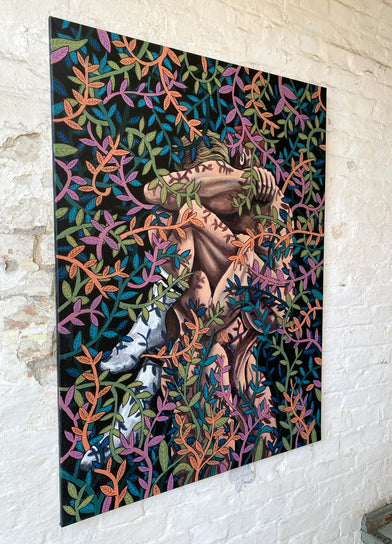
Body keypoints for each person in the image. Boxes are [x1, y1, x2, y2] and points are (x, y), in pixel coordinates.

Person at [80, 131, 292, 471]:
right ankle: (145, 347)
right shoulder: (222, 198)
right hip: (208, 309)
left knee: (192, 217)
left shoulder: (248, 198)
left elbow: (157, 190)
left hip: (244, 304)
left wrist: (241, 182)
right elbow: (157, 190)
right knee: (174, 339)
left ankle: (147, 330)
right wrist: (240, 178)